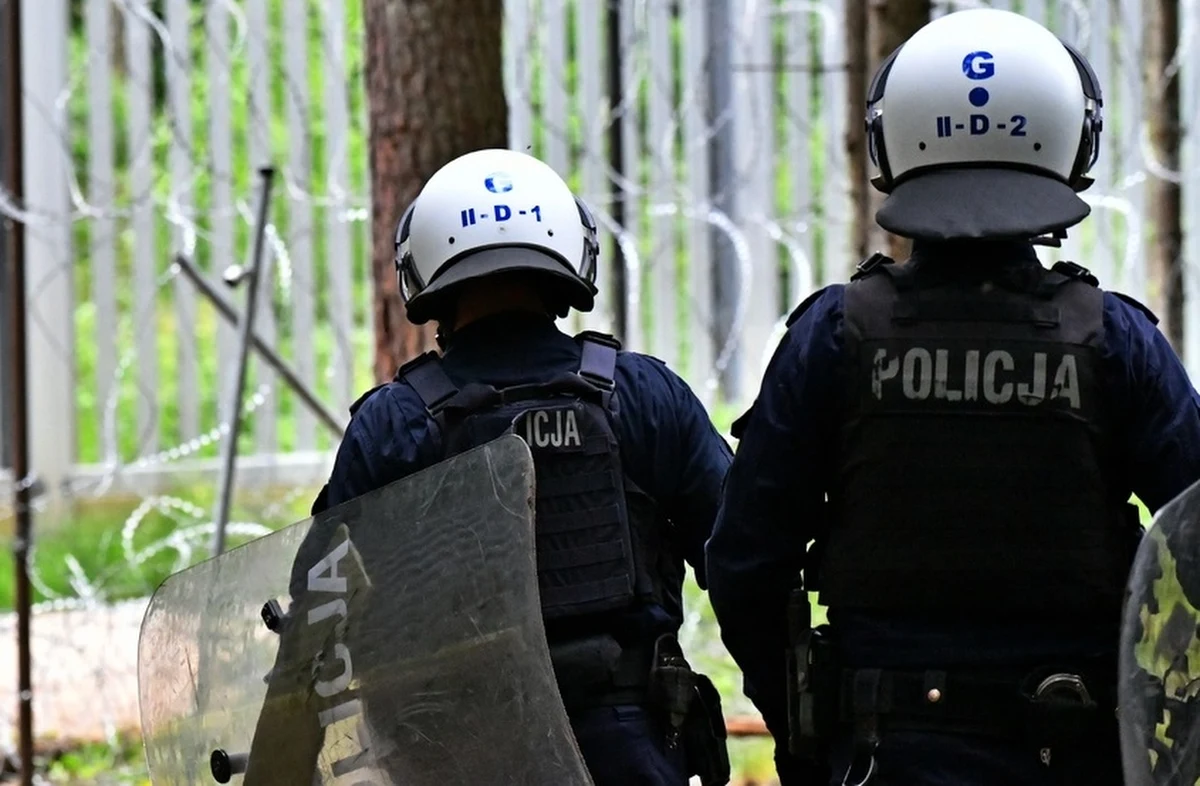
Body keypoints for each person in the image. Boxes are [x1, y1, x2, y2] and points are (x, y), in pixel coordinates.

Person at [704, 8, 1200, 786]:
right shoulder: (1116, 342)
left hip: (881, 755)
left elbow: (744, 563)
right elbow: (1194, 539)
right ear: (1072, 138)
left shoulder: (835, 337)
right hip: (1072, 753)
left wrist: (808, 727)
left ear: (891, 140)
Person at [308, 148, 734, 786]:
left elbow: (319, 607)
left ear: (424, 273)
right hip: (630, 751)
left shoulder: (394, 426)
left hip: (455, 750)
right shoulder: (644, 398)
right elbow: (742, 556)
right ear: (566, 258)